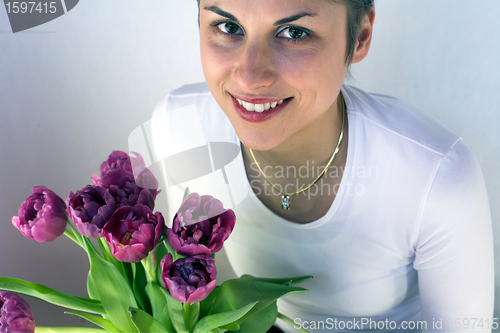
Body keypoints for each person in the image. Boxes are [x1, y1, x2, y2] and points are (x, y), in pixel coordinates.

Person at [150, 0, 494, 331]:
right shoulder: (181, 128)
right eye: (228, 27)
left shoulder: (435, 178)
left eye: (294, 33)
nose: (250, 77)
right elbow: (182, 291)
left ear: (360, 36)